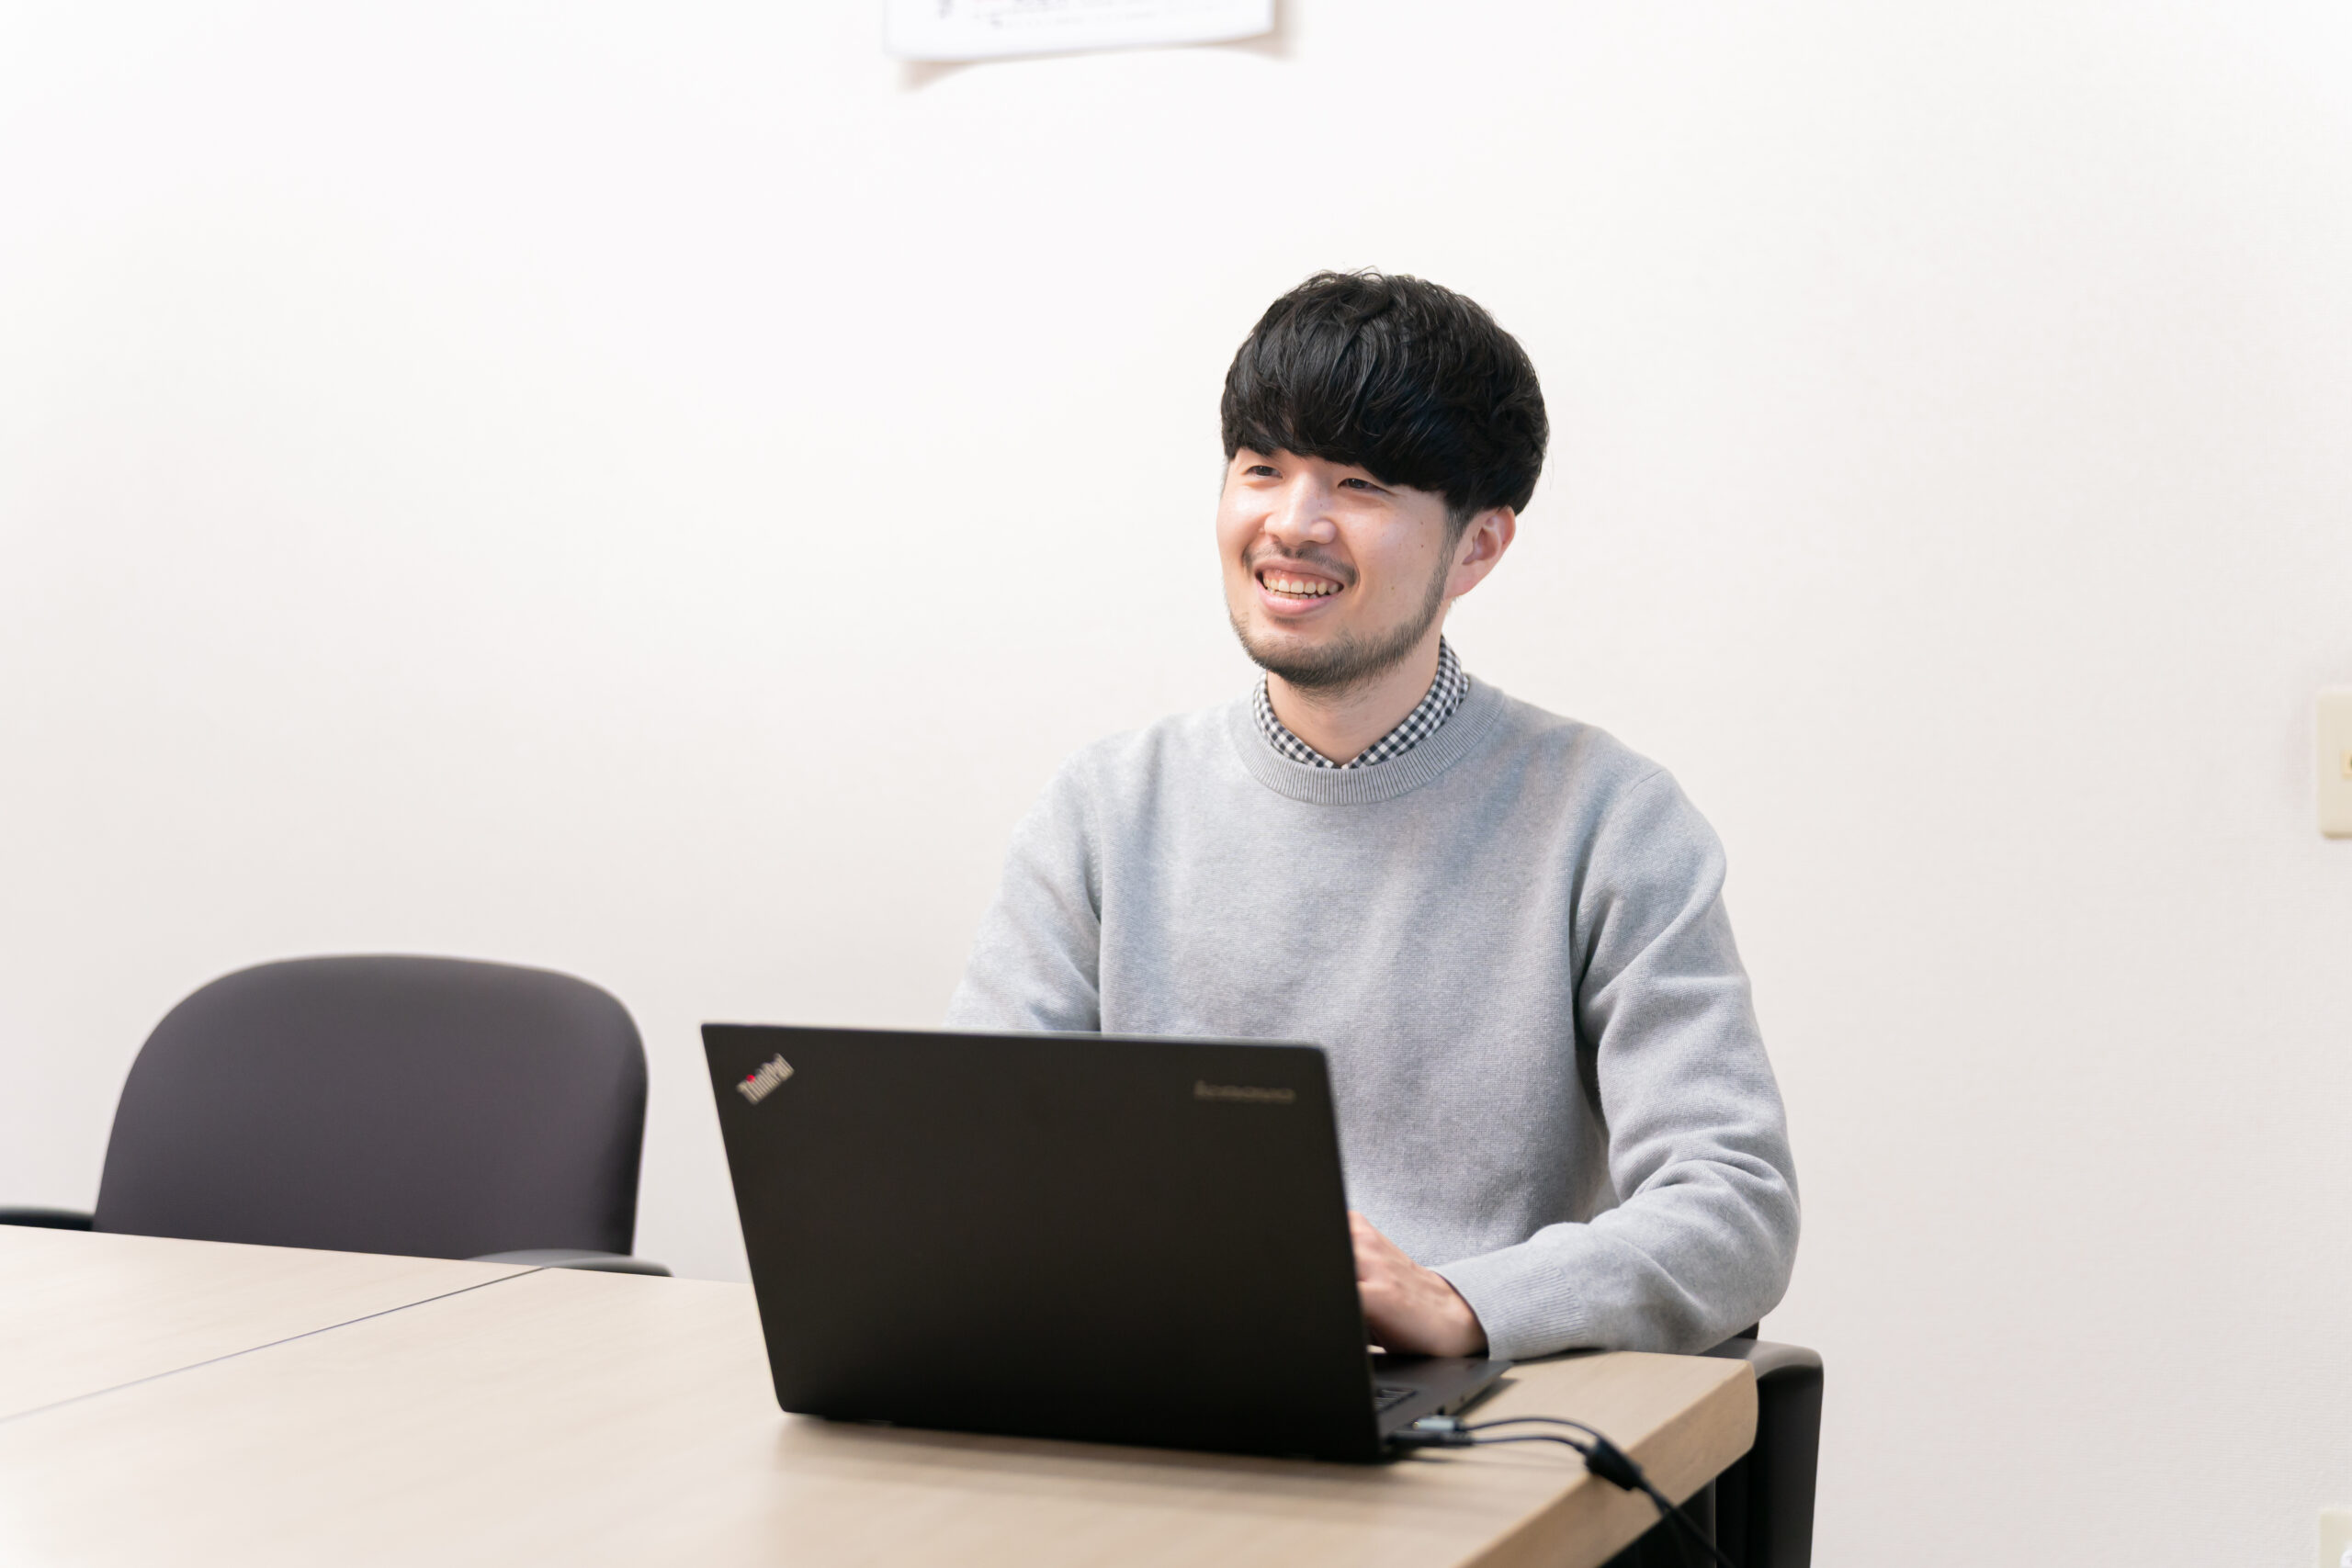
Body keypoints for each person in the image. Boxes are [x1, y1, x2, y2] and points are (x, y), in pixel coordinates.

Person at [946, 271, 1797, 1361]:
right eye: (1261, 468)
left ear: (1477, 547)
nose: (1290, 524)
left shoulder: (1609, 822)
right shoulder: (1106, 809)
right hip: (1148, 1382)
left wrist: (1463, 1302)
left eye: (1357, 484)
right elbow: (972, 1161)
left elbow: (1734, 1206)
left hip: (1461, 1406)